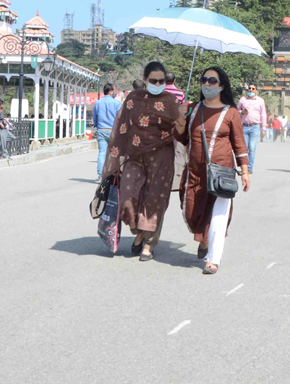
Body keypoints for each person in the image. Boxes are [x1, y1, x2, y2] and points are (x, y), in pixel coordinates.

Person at [100, 62, 186, 262]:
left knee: (155, 200)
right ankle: (139, 233)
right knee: (128, 198)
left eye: (161, 81)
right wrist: (116, 158)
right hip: (135, 156)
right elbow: (122, 127)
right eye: (154, 80)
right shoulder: (132, 99)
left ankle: (149, 243)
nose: (158, 83)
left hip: (162, 156)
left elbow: (181, 135)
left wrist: (181, 118)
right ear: (145, 80)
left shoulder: (172, 101)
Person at [177, 66, 250, 274]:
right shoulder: (192, 109)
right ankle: (204, 239)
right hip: (194, 172)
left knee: (218, 215)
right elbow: (181, 138)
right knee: (191, 212)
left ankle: (213, 259)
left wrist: (244, 171)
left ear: (221, 86)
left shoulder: (232, 113)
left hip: (221, 174)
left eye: (212, 81)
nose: (207, 84)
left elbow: (239, 144)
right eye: (204, 80)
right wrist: (181, 119)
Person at [93, 83, 122, 180]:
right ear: (110, 92)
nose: (115, 93)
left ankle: (101, 175)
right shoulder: (117, 103)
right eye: (114, 91)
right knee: (114, 153)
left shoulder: (98, 103)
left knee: (102, 152)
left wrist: (97, 126)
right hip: (113, 131)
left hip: (101, 130)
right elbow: (120, 118)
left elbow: (95, 117)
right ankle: (112, 174)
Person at [237, 83, 267, 175]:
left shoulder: (260, 101)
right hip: (245, 126)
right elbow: (236, 111)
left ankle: (250, 168)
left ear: (256, 90)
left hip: (255, 126)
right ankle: (244, 167)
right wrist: (242, 112)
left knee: (252, 147)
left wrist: (264, 128)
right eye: (249, 88)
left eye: (253, 88)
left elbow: (263, 114)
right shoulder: (243, 100)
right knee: (244, 148)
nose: (250, 90)